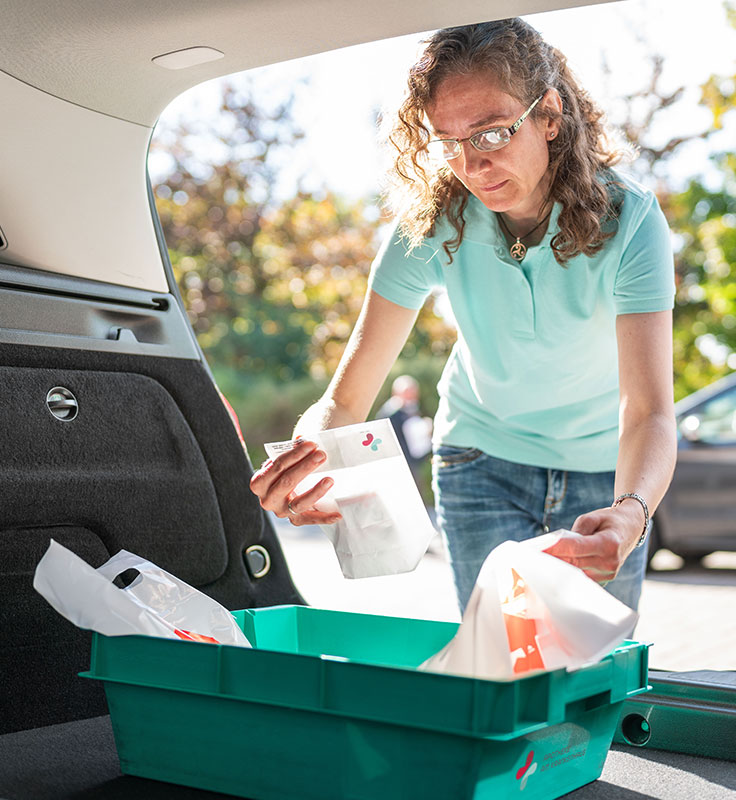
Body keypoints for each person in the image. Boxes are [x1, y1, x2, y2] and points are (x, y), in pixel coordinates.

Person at [249, 17, 676, 612]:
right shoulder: (432, 222)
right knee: (497, 662)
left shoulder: (629, 221)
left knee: (589, 673)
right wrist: (304, 457)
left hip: (604, 474)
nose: (471, 166)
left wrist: (632, 511)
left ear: (549, 115)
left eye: (492, 133)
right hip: (479, 460)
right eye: (447, 142)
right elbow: (346, 399)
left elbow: (651, 410)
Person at [376, 374, 432, 498]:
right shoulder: (391, 412)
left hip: (411, 462)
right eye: (408, 392)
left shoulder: (410, 408)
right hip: (398, 463)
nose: (412, 396)